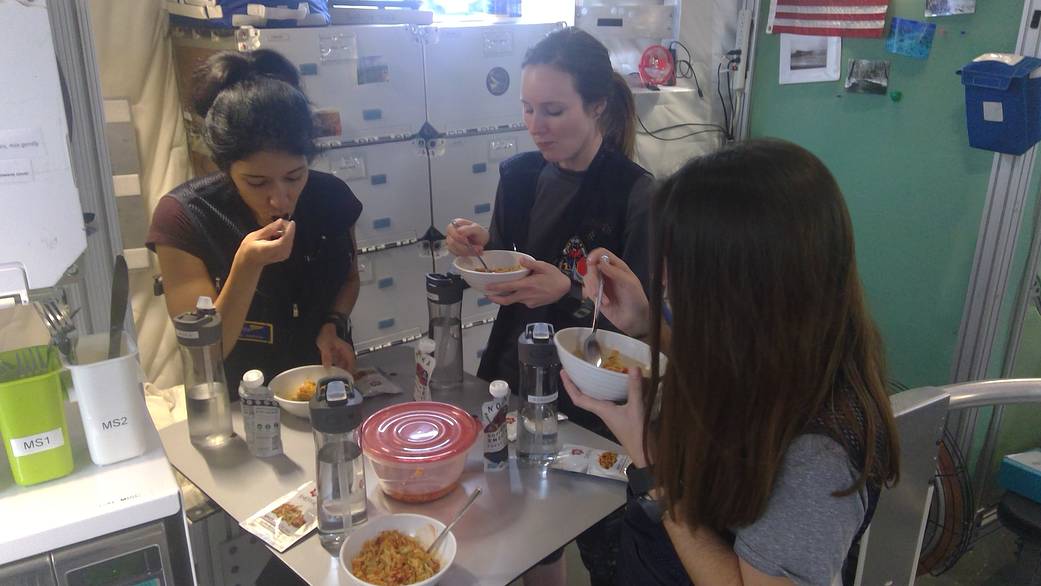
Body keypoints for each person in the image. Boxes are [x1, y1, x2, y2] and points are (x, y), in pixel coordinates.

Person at [563, 139, 901, 585]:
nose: (664, 279)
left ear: (744, 286)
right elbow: (733, 367)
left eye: (680, 266)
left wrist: (651, 464)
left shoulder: (818, 457)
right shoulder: (781, 352)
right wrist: (647, 325)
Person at [444, 27, 653, 585]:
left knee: (608, 541)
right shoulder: (517, 176)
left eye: (554, 111)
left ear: (598, 106)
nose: (537, 125)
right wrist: (475, 250)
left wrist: (564, 290)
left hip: (595, 398)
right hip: (515, 376)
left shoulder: (635, 193)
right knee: (530, 532)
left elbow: (641, 329)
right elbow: (504, 262)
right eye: (529, 108)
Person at [148, 49, 363, 395]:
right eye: (257, 183)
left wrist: (333, 324)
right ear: (225, 167)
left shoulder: (333, 199)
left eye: (294, 177)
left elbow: (349, 278)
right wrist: (246, 265)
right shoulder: (185, 218)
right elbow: (206, 355)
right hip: (237, 408)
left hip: (327, 392)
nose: (279, 200)